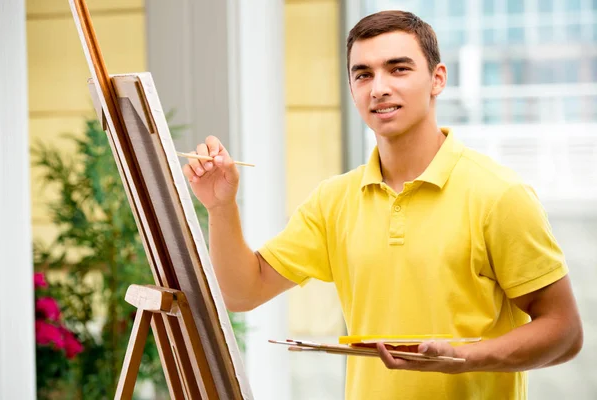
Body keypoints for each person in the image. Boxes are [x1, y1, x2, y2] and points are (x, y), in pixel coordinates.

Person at [182, 10, 583, 400]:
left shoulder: (499, 194)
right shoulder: (333, 200)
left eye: (399, 69)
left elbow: (564, 332)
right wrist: (221, 207)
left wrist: (464, 358)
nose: (379, 88)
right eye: (364, 74)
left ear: (437, 79)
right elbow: (241, 293)